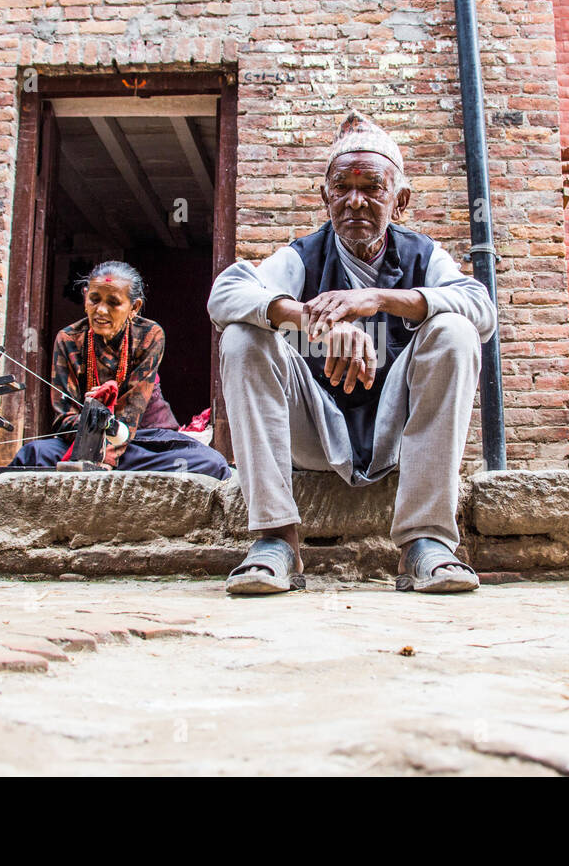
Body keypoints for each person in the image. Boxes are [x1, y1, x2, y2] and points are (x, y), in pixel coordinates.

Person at [208, 110, 497, 595]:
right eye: (342, 188)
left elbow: (481, 308)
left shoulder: (424, 256)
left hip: (397, 433)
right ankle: (276, 539)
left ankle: (426, 541)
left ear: (400, 201)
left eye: (373, 188)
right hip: (316, 433)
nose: (354, 201)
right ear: (325, 198)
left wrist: (377, 300)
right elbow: (225, 293)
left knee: (456, 331)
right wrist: (314, 320)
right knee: (241, 336)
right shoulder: (304, 256)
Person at [11, 260, 231, 480]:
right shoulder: (68, 339)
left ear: (133, 307)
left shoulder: (150, 334)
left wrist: (106, 459)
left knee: (210, 463)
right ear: (86, 296)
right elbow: (64, 416)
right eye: (94, 300)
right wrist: (92, 433)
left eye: (113, 303)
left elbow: (131, 411)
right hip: (84, 443)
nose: (101, 310)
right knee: (32, 455)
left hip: (143, 442)